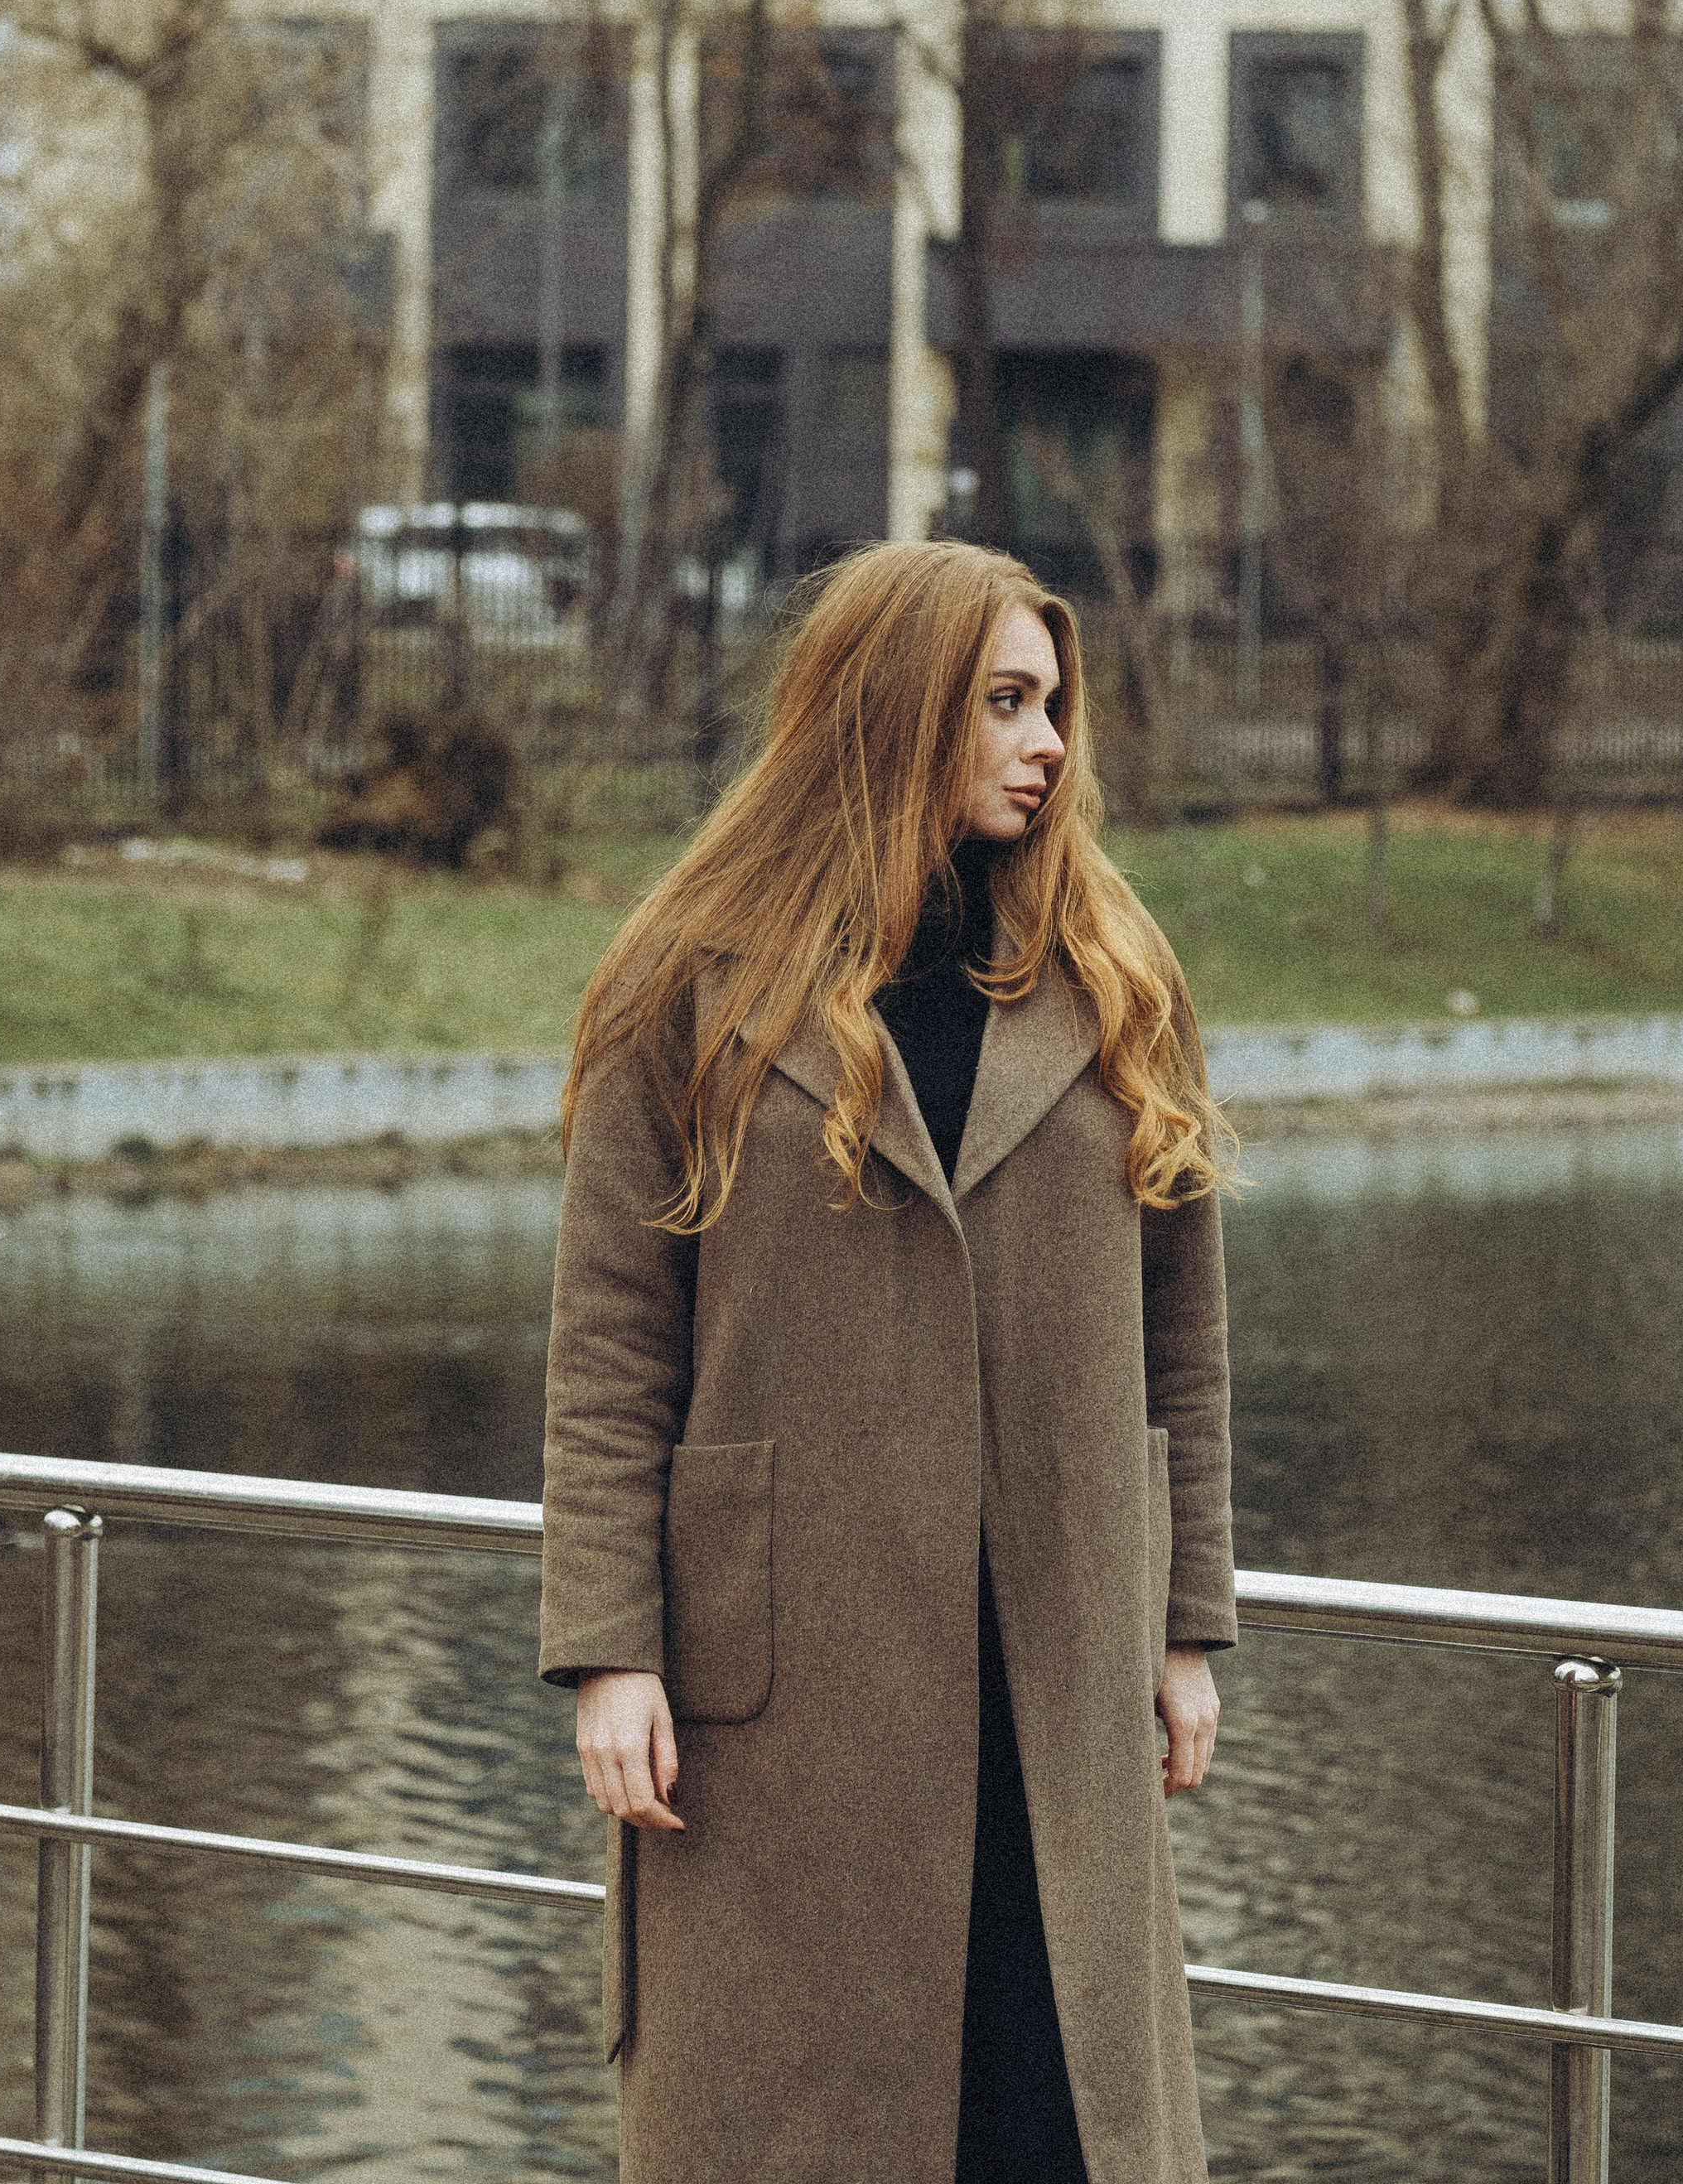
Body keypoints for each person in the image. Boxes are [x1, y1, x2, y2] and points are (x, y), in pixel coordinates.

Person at [539, 539, 1237, 2184]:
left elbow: (1185, 1338)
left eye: (1051, 705)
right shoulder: (686, 980)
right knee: (794, 2125)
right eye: (1003, 703)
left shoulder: (1114, 973)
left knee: (1046, 2118)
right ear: (893, 710)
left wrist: (1184, 1625)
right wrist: (609, 1651)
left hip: (1055, 1661)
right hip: (782, 1693)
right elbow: (608, 1348)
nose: (1047, 743)